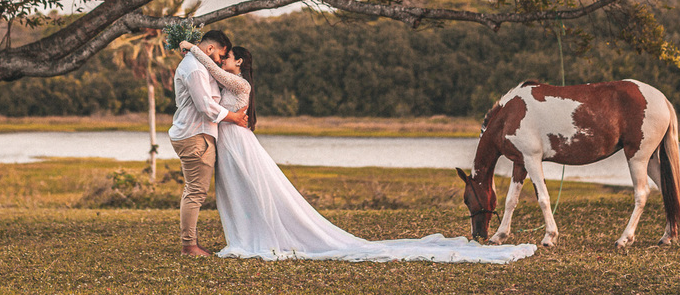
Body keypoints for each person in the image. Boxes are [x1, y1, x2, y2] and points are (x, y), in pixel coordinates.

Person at [178, 40, 537, 264]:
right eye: (221, 56)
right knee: (238, 190)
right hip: (231, 139)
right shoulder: (229, 80)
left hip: (237, 142)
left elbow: (212, 74)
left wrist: (193, 49)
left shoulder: (239, 81)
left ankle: (257, 235)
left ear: (239, 62)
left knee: (253, 188)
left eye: (227, 57)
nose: (222, 60)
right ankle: (244, 233)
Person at [167, 29, 248, 257]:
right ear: (210, 48)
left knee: (194, 191)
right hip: (195, 134)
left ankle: (191, 243)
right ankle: (189, 246)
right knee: (195, 192)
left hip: (198, 133)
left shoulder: (199, 65)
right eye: (221, 55)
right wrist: (234, 118)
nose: (221, 61)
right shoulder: (194, 68)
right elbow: (205, 105)